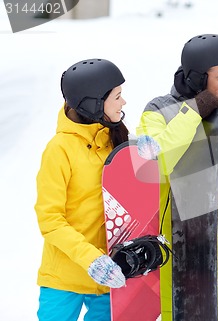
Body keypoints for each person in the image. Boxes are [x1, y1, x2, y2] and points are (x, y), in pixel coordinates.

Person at [136, 34, 218, 321]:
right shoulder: (156, 112)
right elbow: (156, 165)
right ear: (196, 78)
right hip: (176, 247)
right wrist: (194, 111)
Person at [35, 58, 129, 321]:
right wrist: (91, 259)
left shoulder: (114, 140)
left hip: (109, 278)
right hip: (65, 279)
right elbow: (50, 221)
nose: (123, 103)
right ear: (95, 103)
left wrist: (144, 160)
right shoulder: (59, 150)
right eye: (117, 96)